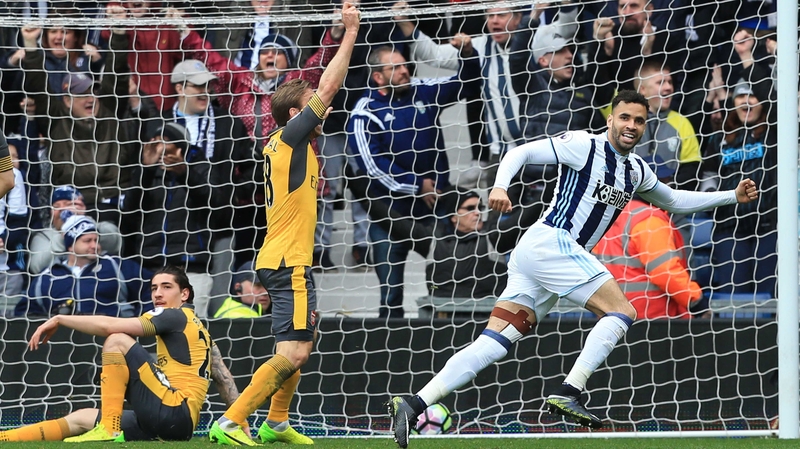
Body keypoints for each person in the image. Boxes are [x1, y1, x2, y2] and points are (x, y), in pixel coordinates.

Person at [387, 90, 759, 448]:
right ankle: (569, 391)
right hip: (553, 243)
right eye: (625, 117)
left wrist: (731, 196)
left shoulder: (636, 171)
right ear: (611, 118)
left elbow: (674, 200)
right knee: (622, 310)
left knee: (494, 343)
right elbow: (520, 152)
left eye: (640, 121)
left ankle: (414, 404)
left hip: (544, 257)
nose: (632, 125)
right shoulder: (584, 144)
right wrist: (500, 186)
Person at [207, 3, 361, 446]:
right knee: (295, 350)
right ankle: (232, 421)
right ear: (295, 116)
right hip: (287, 263)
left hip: (287, 259)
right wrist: (349, 32)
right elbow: (329, 86)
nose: (322, 110)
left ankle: (276, 422)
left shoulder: (294, 146)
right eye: (310, 106)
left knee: (297, 347)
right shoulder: (290, 139)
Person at [1, 266, 241, 442]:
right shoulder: (202, 331)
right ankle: (5, 438)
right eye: (154, 288)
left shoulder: (174, 315)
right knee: (82, 417)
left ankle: (108, 428)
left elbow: (110, 328)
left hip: (172, 411)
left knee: (116, 340)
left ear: (185, 294)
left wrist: (60, 318)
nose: (158, 293)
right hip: (178, 426)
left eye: (167, 287)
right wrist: (240, 424)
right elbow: (224, 378)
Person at [347, 40, 481, 318]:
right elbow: (373, 167)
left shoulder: (422, 90)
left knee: (451, 282)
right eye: (395, 68)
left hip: (434, 212)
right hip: (390, 217)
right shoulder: (364, 112)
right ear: (378, 77)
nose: (404, 71)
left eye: (405, 65)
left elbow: (466, 85)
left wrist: (468, 55)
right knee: (392, 294)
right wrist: (416, 184)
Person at [592, 159, 703, 319]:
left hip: (611, 318)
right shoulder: (649, 219)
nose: (668, 186)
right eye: (663, 181)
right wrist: (696, 301)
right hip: (652, 317)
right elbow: (665, 272)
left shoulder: (610, 216)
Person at [19, 214, 153, 317]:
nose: (95, 246)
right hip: (63, 345)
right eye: (87, 241)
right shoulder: (46, 277)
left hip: (116, 340)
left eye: (96, 240)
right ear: (70, 246)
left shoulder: (117, 266)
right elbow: (26, 312)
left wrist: (138, 322)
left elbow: (151, 288)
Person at [631, 60, 702, 190]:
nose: (668, 87)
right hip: (630, 202)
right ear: (643, 90)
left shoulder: (681, 122)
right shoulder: (626, 121)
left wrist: (666, 189)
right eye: (661, 82)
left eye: (669, 82)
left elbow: (691, 169)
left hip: (669, 201)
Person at [27, 185, 122, 275]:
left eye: (68, 204)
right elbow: (37, 266)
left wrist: (84, 223)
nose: (62, 209)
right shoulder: (44, 235)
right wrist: (66, 232)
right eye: (56, 206)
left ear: (82, 207)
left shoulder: (100, 226)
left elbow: (116, 243)